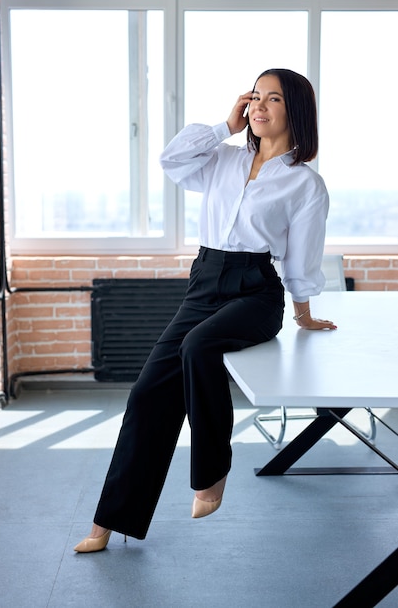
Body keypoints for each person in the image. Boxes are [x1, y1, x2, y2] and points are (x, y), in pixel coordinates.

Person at [74, 68, 337, 553]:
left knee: (199, 347)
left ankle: (211, 472)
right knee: (148, 395)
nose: (259, 105)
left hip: (255, 291)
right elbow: (170, 159)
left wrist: (303, 313)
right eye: (255, 96)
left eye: (272, 99)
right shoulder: (222, 160)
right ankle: (107, 523)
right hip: (203, 284)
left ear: (295, 110)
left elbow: (301, 257)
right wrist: (224, 127)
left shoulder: (305, 185)